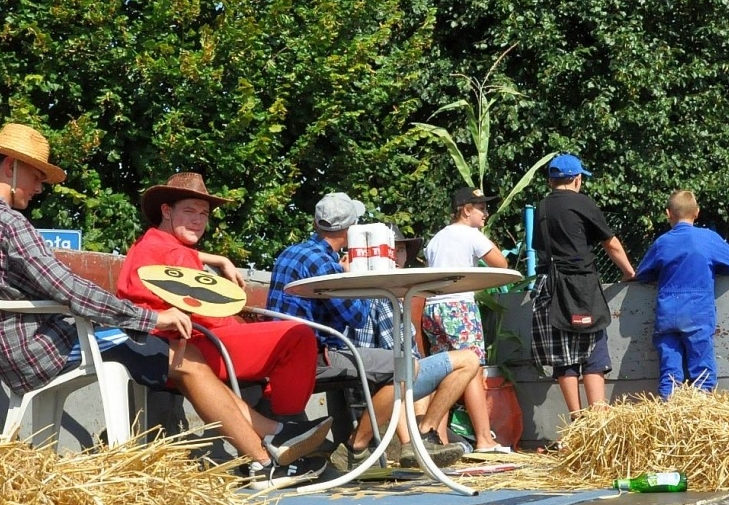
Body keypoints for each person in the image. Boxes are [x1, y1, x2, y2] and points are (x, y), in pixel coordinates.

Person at [0, 125, 317, 488]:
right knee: (184, 355)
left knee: (179, 354)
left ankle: (272, 435)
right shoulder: (9, 225)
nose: (39, 188)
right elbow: (71, 290)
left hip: (11, 357)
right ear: (11, 167)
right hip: (48, 350)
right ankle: (265, 459)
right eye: (36, 176)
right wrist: (150, 317)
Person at [116, 173, 327, 461]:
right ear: (166, 211)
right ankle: (289, 425)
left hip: (172, 343)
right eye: (189, 211)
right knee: (296, 336)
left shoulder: (151, 245)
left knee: (282, 336)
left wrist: (215, 259)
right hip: (179, 345)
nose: (198, 220)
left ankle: (282, 429)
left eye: (203, 214)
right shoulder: (174, 253)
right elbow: (210, 317)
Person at [266, 191, 481, 469]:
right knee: (406, 367)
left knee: (405, 365)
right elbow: (355, 317)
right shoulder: (326, 263)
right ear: (350, 230)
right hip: (313, 356)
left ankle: (414, 440)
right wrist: (351, 279)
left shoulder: (292, 252)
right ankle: (363, 445)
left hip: (285, 353)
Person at [532, 154, 635, 417]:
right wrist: (629, 272)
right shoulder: (581, 203)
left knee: (563, 357)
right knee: (593, 352)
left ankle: (577, 419)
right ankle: (598, 419)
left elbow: (540, 249)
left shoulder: (542, 208)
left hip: (549, 288)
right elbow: (610, 243)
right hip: (581, 287)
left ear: (550, 182)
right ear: (577, 179)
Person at [420, 186, 512, 453]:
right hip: (459, 307)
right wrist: (483, 238)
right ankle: (484, 439)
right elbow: (501, 264)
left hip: (433, 308)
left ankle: (438, 438)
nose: (486, 214)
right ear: (467, 209)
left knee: (445, 372)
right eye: (481, 208)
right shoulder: (470, 234)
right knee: (472, 370)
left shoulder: (436, 238)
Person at [633, 189, 729, 395]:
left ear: (668, 213)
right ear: (697, 213)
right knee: (702, 370)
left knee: (670, 372)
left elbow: (642, 274)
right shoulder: (708, 238)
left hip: (667, 314)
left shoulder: (662, 242)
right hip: (698, 313)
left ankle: (668, 410)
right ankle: (700, 411)